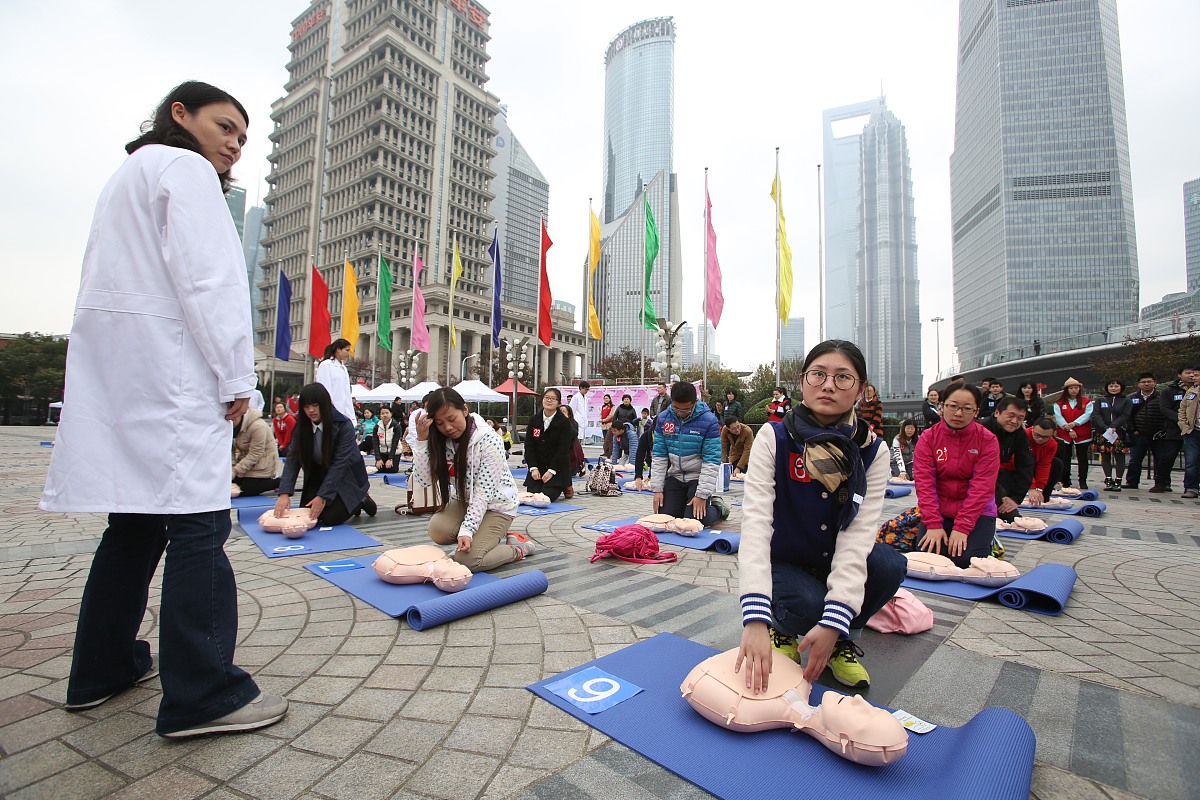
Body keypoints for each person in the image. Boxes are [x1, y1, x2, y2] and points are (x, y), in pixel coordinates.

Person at [39, 81, 287, 737]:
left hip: (130, 377)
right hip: (176, 380)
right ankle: (203, 693)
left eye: (242, 135)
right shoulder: (186, 169)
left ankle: (102, 667)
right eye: (225, 125)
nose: (234, 143)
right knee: (200, 529)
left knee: (135, 528)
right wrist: (238, 377)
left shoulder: (129, 173)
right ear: (180, 115)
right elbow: (210, 283)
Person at [735, 340, 905, 692]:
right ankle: (779, 627)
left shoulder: (873, 450)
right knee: (809, 605)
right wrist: (754, 619)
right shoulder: (776, 437)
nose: (829, 385)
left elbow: (858, 536)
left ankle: (841, 638)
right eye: (819, 374)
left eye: (844, 377)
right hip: (785, 559)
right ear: (802, 382)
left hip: (832, 557)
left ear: (860, 390)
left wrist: (835, 622)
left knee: (890, 565)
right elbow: (755, 522)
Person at [412, 388, 533, 569]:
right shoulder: (441, 441)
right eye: (439, 423)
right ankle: (483, 538)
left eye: (452, 419)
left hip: (497, 506)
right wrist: (422, 441)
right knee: (438, 531)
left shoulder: (489, 441)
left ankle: (519, 548)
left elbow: (483, 493)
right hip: (465, 500)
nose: (447, 427)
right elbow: (424, 481)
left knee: (467, 561)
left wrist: (467, 530)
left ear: (465, 410)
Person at [913, 382, 1000, 568]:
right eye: (952, 406)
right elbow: (924, 483)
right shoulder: (928, 438)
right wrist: (934, 524)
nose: (958, 413)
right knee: (928, 560)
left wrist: (962, 527)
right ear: (942, 407)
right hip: (939, 511)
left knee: (965, 561)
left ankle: (989, 538)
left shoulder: (988, 440)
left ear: (976, 411)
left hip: (977, 513)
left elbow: (982, 487)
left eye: (967, 409)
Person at [275, 383, 377, 524]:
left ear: (324, 404)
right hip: (318, 474)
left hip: (347, 476)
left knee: (330, 517)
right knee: (308, 513)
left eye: (315, 405)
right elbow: (292, 459)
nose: (311, 410)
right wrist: (284, 493)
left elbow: (340, 464)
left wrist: (322, 497)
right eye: (306, 407)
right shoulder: (302, 427)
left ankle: (361, 499)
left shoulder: (343, 425)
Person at [651, 381, 725, 527]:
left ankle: (718, 508)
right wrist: (658, 489)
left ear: (695, 402)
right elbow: (659, 456)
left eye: (685, 410)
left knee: (694, 520)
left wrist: (702, 495)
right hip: (675, 476)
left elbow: (712, 460)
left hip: (697, 477)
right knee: (665, 518)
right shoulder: (664, 418)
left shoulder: (709, 421)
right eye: (676, 408)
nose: (679, 412)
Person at [981, 397, 1033, 522]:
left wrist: (1015, 498)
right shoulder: (981, 429)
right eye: (1011, 416)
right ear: (997, 412)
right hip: (969, 482)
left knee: (1013, 518)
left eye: (1020, 418)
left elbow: (1026, 466)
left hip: (995, 479)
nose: (1014, 421)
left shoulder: (1019, 434)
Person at [523, 388, 575, 503]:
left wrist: (551, 471)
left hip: (557, 467)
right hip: (538, 466)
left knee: (547, 496)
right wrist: (533, 468)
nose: (549, 401)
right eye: (547, 398)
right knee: (532, 494)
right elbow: (529, 446)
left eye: (553, 399)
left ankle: (565, 485)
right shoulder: (534, 420)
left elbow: (563, 450)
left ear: (558, 403)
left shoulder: (564, 423)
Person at [1152, 365, 1195, 493]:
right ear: (1179, 375)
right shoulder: (1169, 391)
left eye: (1194, 373)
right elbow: (1165, 409)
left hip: (1194, 429)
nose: (1191, 375)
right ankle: (1161, 482)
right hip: (1174, 429)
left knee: (1193, 460)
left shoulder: (1197, 389)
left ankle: (1192, 486)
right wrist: (1181, 420)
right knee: (1167, 457)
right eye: (1188, 373)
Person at [1052, 377, 1093, 490]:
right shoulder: (1059, 403)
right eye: (1071, 388)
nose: (1074, 390)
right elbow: (1058, 417)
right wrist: (1069, 429)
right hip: (1065, 434)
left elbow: (1087, 415)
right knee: (1065, 458)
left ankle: (1083, 481)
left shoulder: (1086, 401)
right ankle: (1065, 481)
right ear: (1066, 390)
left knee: (1083, 458)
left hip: (1082, 434)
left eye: (1076, 388)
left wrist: (1074, 424)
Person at [1123, 373, 1164, 489]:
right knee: (1135, 460)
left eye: (1149, 381)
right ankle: (1132, 482)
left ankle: (1161, 483)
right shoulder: (1132, 397)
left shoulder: (1161, 397)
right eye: (1143, 382)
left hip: (1158, 435)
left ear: (1155, 382)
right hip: (1138, 434)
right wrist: (1133, 430)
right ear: (1139, 384)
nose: (1146, 384)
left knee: (1160, 460)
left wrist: (1163, 430)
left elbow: (1165, 414)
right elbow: (1127, 416)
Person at [232, 406, 281, 496]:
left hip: (263, 463)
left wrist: (235, 470)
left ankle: (280, 482)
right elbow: (230, 452)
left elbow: (255, 454)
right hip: (246, 464)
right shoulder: (230, 427)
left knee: (248, 488)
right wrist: (232, 468)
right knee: (230, 483)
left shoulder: (258, 426)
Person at [1092, 379, 1132, 491]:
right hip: (1103, 433)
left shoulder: (1126, 401)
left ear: (1121, 387)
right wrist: (1105, 428)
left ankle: (1118, 480)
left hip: (1118, 432)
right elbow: (1096, 415)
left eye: (1116, 386)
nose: (1113, 388)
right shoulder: (1100, 400)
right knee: (1105, 455)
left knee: (1119, 456)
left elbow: (1125, 415)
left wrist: (1114, 426)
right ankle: (1108, 479)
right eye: (1111, 386)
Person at [1026, 417, 1066, 505]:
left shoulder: (1052, 444)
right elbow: (1021, 464)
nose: (1040, 439)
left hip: (1035, 466)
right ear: (1032, 429)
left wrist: (1039, 489)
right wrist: (1032, 487)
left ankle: (1044, 497)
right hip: (1015, 468)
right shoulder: (1023, 436)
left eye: (1045, 437)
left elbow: (1044, 465)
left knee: (1057, 464)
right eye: (1037, 435)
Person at [315, 338, 355, 422]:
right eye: (346, 350)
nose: (348, 353)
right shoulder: (326, 365)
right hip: (332, 413)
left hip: (345, 413)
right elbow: (324, 390)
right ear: (338, 350)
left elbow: (347, 393)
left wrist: (351, 416)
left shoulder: (343, 368)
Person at [1178, 367, 1200, 499]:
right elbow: (1182, 410)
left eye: (1196, 375)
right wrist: (1184, 427)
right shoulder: (1191, 392)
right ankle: (1191, 488)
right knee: (1191, 462)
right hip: (1193, 432)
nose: (1193, 377)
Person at [568, 380, 591, 476]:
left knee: (579, 443)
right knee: (576, 443)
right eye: (585, 389)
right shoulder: (575, 398)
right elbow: (571, 410)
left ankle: (578, 462)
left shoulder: (585, 398)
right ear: (581, 388)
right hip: (576, 422)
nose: (586, 391)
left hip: (582, 422)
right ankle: (575, 463)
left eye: (588, 390)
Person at [374, 406, 402, 473]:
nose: (385, 415)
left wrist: (390, 459)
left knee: (392, 470)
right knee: (379, 469)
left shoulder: (396, 426)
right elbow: (375, 443)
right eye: (382, 413)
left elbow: (395, 443)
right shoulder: (377, 426)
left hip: (395, 452)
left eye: (387, 413)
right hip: (382, 451)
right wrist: (378, 459)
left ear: (391, 414)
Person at [599, 394, 616, 458]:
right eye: (605, 398)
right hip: (603, 425)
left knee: (610, 439)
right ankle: (605, 451)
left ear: (610, 399)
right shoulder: (603, 406)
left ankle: (610, 452)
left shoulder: (612, 406)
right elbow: (600, 414)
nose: (606, 399)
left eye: (607, 398)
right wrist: (601, 419)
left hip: (609, 424)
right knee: (605, 439)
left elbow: (611, 415)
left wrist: (604, 420)